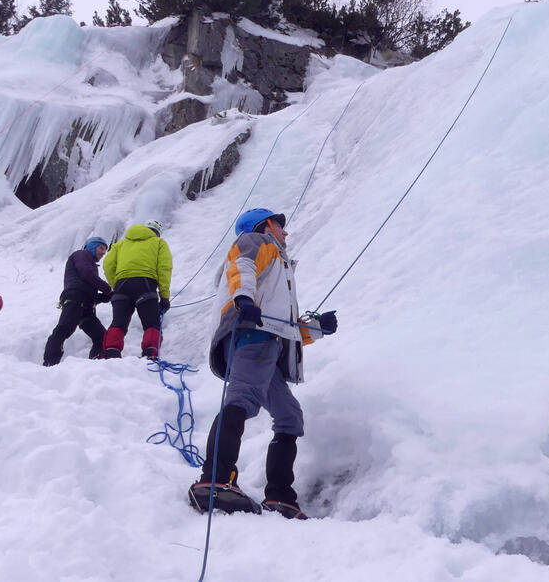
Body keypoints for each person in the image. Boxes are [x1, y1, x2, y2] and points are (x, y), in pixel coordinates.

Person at [188, 209, 338, 520]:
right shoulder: (256, 242)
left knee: (289, 416)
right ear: (266, 226)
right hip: (252, 335)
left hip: (264, 339)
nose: (286, 232)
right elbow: (243, 268)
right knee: (242, 397)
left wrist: (318, 329)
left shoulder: (277, 265)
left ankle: (281, 496)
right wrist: (244, 299)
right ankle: (216, 479)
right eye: (280, 226)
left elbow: (283, 324)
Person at [100, 221, 172, 360]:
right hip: (145, 284)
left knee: (118, 322)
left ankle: (111, 354)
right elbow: (164, 269)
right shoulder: (158, 243)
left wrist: (116, 284)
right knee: (151, 323)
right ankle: (150, 355)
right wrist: (164, 296)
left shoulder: (120, 244)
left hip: (122, 285)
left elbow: (108, 265)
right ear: (156, 232)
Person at [43, 237, 113, 366]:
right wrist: (108, 289)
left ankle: (96, 363)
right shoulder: (81, 254)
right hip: (75, 299)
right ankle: (49, 363)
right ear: (92, 246)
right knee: (63, 329)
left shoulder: (90, 263)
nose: (103, 253)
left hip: (85, 304)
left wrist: (107, 296)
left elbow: (87, 290)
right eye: (101, 248)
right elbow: (85, 274)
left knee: (101, 336)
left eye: (105, 250)